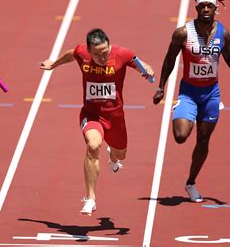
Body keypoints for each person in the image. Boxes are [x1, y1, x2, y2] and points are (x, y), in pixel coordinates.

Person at [41, 28, 154, 215]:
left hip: (115, 117)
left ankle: (113, 157)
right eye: (97, 55)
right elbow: (71, 54)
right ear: (89, 51)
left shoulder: (122, 54)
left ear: (109, 45)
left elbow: (139, 63)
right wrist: (54, 64)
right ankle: (90, 198)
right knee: (93, 146)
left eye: (104, 52)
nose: (102, 57)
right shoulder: (81, 53)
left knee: (121, 155)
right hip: (91, 113)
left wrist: (147, 68)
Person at [152, 0, 230, 202]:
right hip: (188, 92)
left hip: (211, 94)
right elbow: (169, 60)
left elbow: (229, 56)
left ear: (215, 9)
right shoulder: (182, 34)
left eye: (210, 6)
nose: (206, 9)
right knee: (180, 136)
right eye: (202, 6)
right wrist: (161, 86)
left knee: (203, 141)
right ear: (196, 9)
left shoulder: (224, 33)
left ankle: (191, 183)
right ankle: (186, 113)